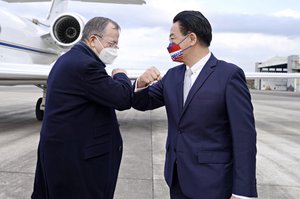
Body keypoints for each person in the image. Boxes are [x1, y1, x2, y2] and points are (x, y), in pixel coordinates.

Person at [133, 11, 257, 199]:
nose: (170, 45)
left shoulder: (229, 75)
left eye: (173, 38)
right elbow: (143, 102)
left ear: (191, 39)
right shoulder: (172, 76)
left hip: (214, 183)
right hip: (177, 179)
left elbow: (244, 137)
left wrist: (243, 191)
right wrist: (141, 84)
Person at [31, 17, 132, 199]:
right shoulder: (86, 65)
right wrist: (121, 76)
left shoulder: (69, 59)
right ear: (93, 39)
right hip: (76, 163)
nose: (115, 49)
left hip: (62, 155)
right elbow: (122, 98)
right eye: (112, 43)